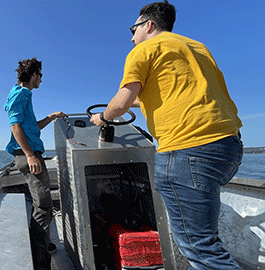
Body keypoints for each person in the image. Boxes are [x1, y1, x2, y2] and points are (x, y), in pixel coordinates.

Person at [90, 1, 243, 269]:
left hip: (188, 149)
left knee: (200, 247)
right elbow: (168, 93)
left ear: (148, 25)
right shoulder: (196, 48)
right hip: (229, 148)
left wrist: (102, 116)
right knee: (204, 237)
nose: (131, 36)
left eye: (133, 28)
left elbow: (123, 101)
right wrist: (123, 104)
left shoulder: (144, 49)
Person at [4, 57, 66, 270]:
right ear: (32, 75)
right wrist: (30, 155)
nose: (41, 79)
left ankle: (43, 246)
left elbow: (32, 127)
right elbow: (15, 125)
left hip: (29, 153)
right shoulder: (20, 94)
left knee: (43, 204)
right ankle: (40, 262)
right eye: (40, 75)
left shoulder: (23, 94)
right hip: (28, 155)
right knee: (43, 206)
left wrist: (51, 116)